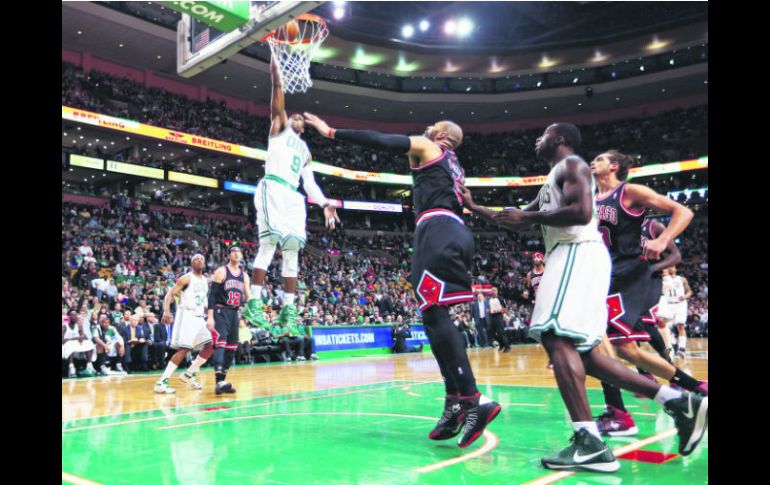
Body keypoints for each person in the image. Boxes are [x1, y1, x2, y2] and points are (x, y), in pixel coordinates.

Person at [461, 123, 707, 472]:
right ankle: (679, 402)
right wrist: (475, 207)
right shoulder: (554, 178)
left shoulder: (573, 165)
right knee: (587, 357)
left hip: (575, 251)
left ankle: (589, 441)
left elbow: (581, 213)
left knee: (555, 338)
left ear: (558, 140)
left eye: (543, 135)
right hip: (581, 256)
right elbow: (517, 221)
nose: (536, 140)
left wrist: (529, 215)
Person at [302, 112, 500, 449]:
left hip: (437, 229)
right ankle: (455, 399)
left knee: (436, 315)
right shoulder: (453, 164)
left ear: (440, 133)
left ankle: (472, 399)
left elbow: (382, 140)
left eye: (432, 126)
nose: (425, 128)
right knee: (433, 317)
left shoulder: (428, 145)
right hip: (453, 231)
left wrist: (330, 131)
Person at [591, 150, 707, 435]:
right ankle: (697, 389)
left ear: (614, 166)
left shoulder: (628, 191)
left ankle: (618, 414)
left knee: (597, 340)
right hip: (607, 276)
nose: (592, 162)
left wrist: (664, 239)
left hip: (627, 274)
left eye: (600, 159)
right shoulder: (591, 200)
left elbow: (684, 211)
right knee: (626, 349)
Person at [243, 56, 339, 333]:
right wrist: (277, 74)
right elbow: (278, 101)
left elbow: (309, 184)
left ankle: (288, 309)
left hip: (294, 197)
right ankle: (255, 303)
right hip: (272, 186)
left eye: (299, 118)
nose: (295, 117)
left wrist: (325, 203)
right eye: (293, 115)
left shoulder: (306, 151)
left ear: (304, 127)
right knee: (269, 242)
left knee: (293, 249)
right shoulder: (279, 128)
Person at [154, 254, 215, 394]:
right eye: (196, 259)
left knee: (212, 345)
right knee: (184, 349)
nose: (199, 261)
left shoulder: (205, 280)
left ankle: (189, 373)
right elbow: (169, 294)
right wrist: (166, 311)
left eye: (202, 259)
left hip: (200, 317)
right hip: (187, 315)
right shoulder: (186, 278)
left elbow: (202, 302)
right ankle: (162, 381)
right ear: (191, 263)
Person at [208, 247, 251, 395]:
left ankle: (221, 382)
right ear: (228, 255)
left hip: (234, 313)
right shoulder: (222, 271)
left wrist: (260, 311)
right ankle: (219, 382)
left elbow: (249, 297)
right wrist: (210, 316)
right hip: (220, 310)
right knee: (220, 345)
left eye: (239, 251)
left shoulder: (244, 276)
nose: (236, 253)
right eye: (233, 251)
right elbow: (212, 295)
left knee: (232, 349)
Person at [657, 266, 693, 359]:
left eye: (672, 267)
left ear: (676, 269)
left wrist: (685, 296)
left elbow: (689, 291)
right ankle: (672, 343)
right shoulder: (663, 280)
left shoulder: (682, 279)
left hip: (680, 304)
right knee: (665, 327)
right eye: (668, 267)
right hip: (668, 304)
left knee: (680, 325)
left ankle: (682, 349)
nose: (670, 269)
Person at [62, 311, 97, 377]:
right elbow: (62, 340)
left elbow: (84, 336)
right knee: (69, 345)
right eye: (72, 315)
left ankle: (89, 365)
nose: (74, 317)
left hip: (75, 344)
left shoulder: (79, 326)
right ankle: (71, 367)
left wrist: (82, 337)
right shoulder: (64, 327)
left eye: (75, 315)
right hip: (65, 346)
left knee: (89, 343)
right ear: (69, 317)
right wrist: (76, 338)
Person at [487, 288, 511, 352]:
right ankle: (501, 344)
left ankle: (507, 347)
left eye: (494, 291)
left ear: (497, 291)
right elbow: (489, 308)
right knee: (490, 332)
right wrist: (488, 310)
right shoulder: (490, 299)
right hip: (492, 317)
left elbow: (505, 308)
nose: (493, 292)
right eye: (492, 291)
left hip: (499, 317)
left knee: (501, 333)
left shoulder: (500, 298)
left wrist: (503, 312)